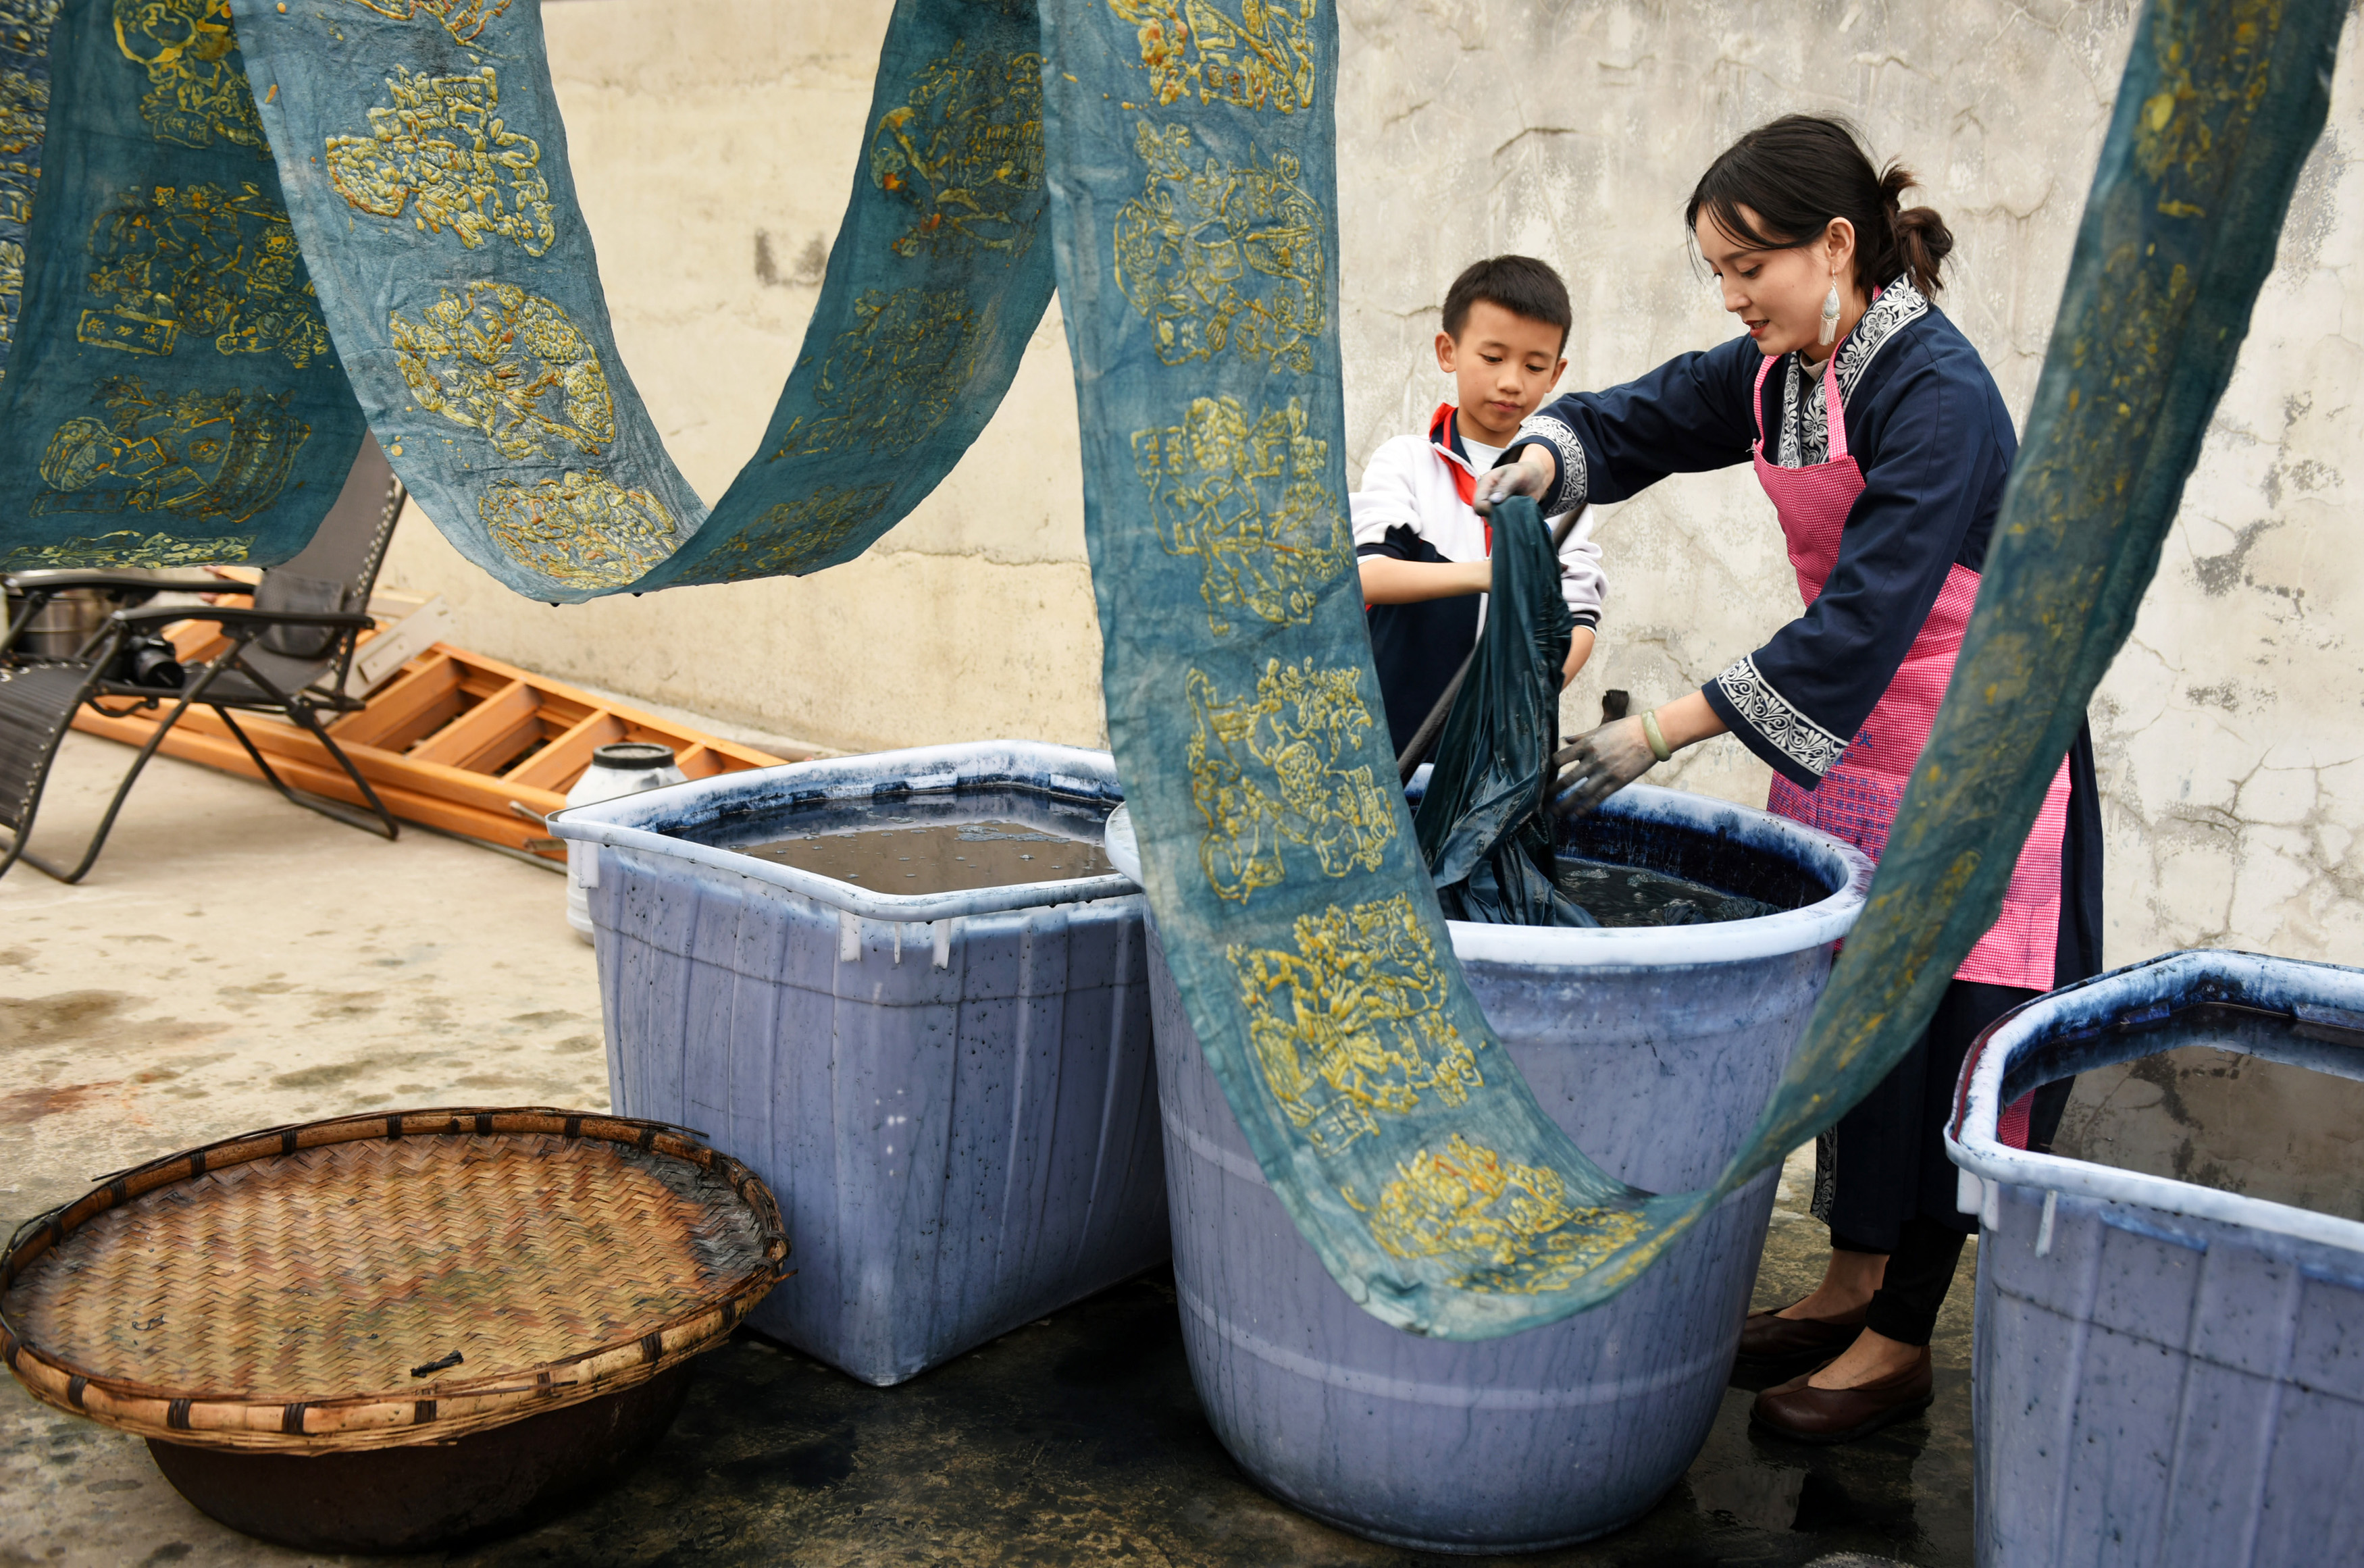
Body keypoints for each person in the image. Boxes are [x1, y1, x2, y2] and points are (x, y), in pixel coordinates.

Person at [1474, 115, 2104, 1444]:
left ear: (1833, 246)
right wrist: (1545, 456)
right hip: (1861, 748)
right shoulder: (1783, 370)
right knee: (1855, 1034)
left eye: (1744, 265)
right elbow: (1643, 414)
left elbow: (1861, 623)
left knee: (1937, 1038)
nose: (1729, 296)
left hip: (1982, 743)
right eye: (1714, 272)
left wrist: (1656, 735)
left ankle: (1897, 1342)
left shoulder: (1935, 395)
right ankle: (1846, 1280)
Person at [1353, 255, 1605, 756]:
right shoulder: (1407, 461)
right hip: (1387, 744)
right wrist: (1492, 575)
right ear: (1448, 351)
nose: (1512, 381)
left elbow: (1580, 620)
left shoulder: (1562, 490)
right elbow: (1369, 575)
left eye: (1534, 366)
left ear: (1556, 373)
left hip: (1497, 758)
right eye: (1493, 358)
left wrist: (1529, 698)